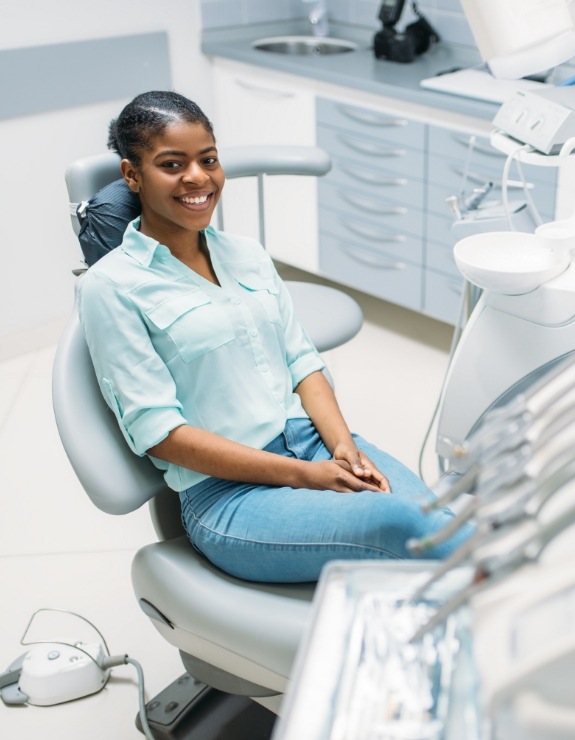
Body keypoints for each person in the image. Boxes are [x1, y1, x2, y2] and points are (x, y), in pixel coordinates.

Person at [77, 90, 472, 583]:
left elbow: (302, 361)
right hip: (228, 497)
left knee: (448, 518)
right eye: (172, 164)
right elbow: (160, 435)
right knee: (406, 524)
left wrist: (343, 447)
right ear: (132, 175)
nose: (197, 177)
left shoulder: (247, 254)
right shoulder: (109, 287)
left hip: (311, 443)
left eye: (208, 160)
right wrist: (307, 478)